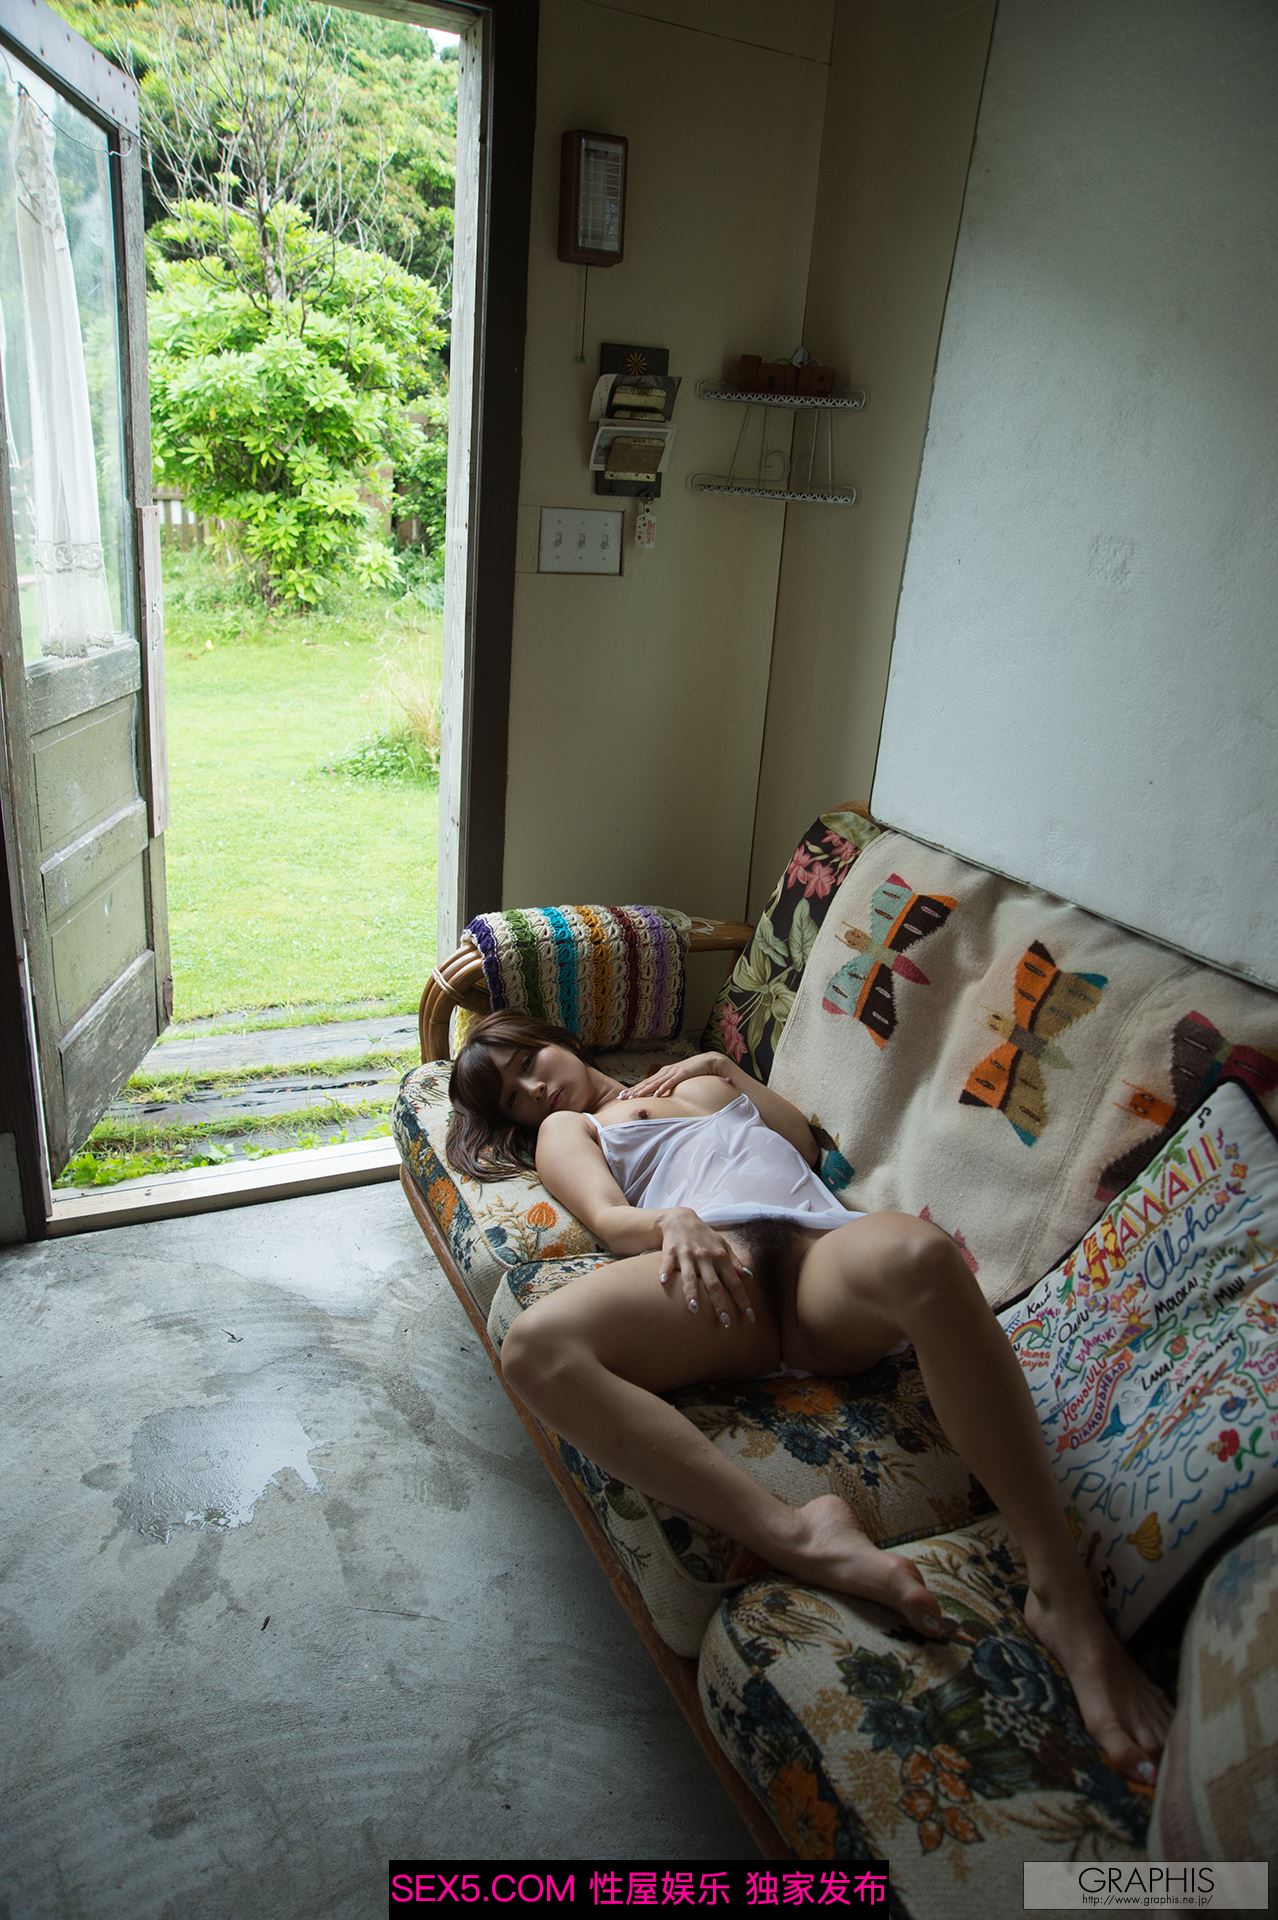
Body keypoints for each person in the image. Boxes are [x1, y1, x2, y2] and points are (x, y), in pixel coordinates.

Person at [447, 1009, 1171, 1785]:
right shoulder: (574, 1128)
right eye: (514, 1096)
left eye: (530, 1061)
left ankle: (1060, 1593)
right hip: (718, 1270)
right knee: (536, 1349)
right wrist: (674, 1221)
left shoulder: (696, 1078)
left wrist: (722, 1070)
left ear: (560, 1039)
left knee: (922, 1256)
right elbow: (609, 1220)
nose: (535, 1087)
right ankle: (797, 1534)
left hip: (821, 1256)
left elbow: (801, 1146)